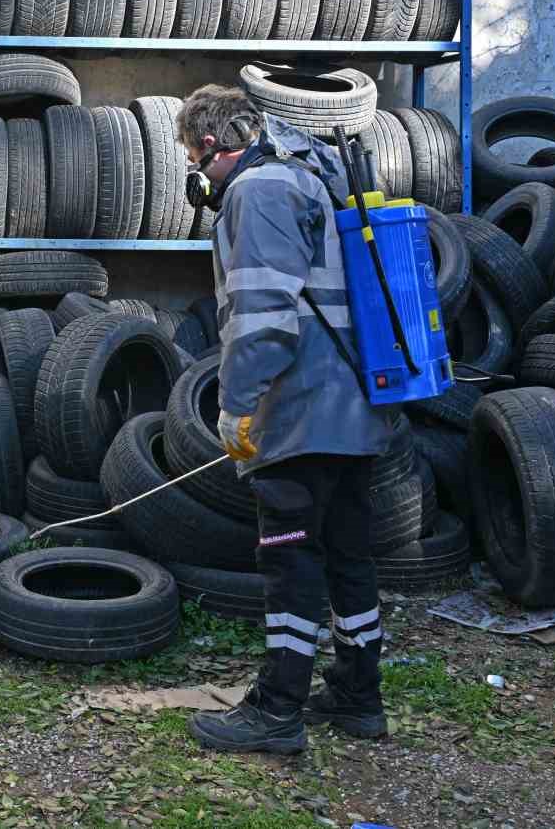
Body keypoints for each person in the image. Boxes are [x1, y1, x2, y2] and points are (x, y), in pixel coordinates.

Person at [176, 84, 395, 755]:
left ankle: (277, 711)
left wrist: (237, 405)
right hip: (352, 407)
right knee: (348, 557)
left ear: (212, 145)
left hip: (303, 411)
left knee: (291, 563)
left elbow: (263, 317)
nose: (195, 171)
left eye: (192, 155)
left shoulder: (258, 191)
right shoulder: (305, 176)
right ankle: (359, 697)